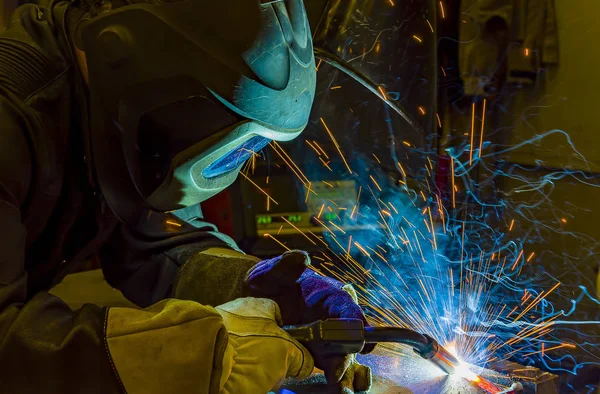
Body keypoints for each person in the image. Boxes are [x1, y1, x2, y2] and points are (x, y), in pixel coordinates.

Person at [0, 0, 374, 392]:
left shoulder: (128, 111)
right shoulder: (12, 114)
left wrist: (259, 286)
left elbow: (156, 242)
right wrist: (180, 353)